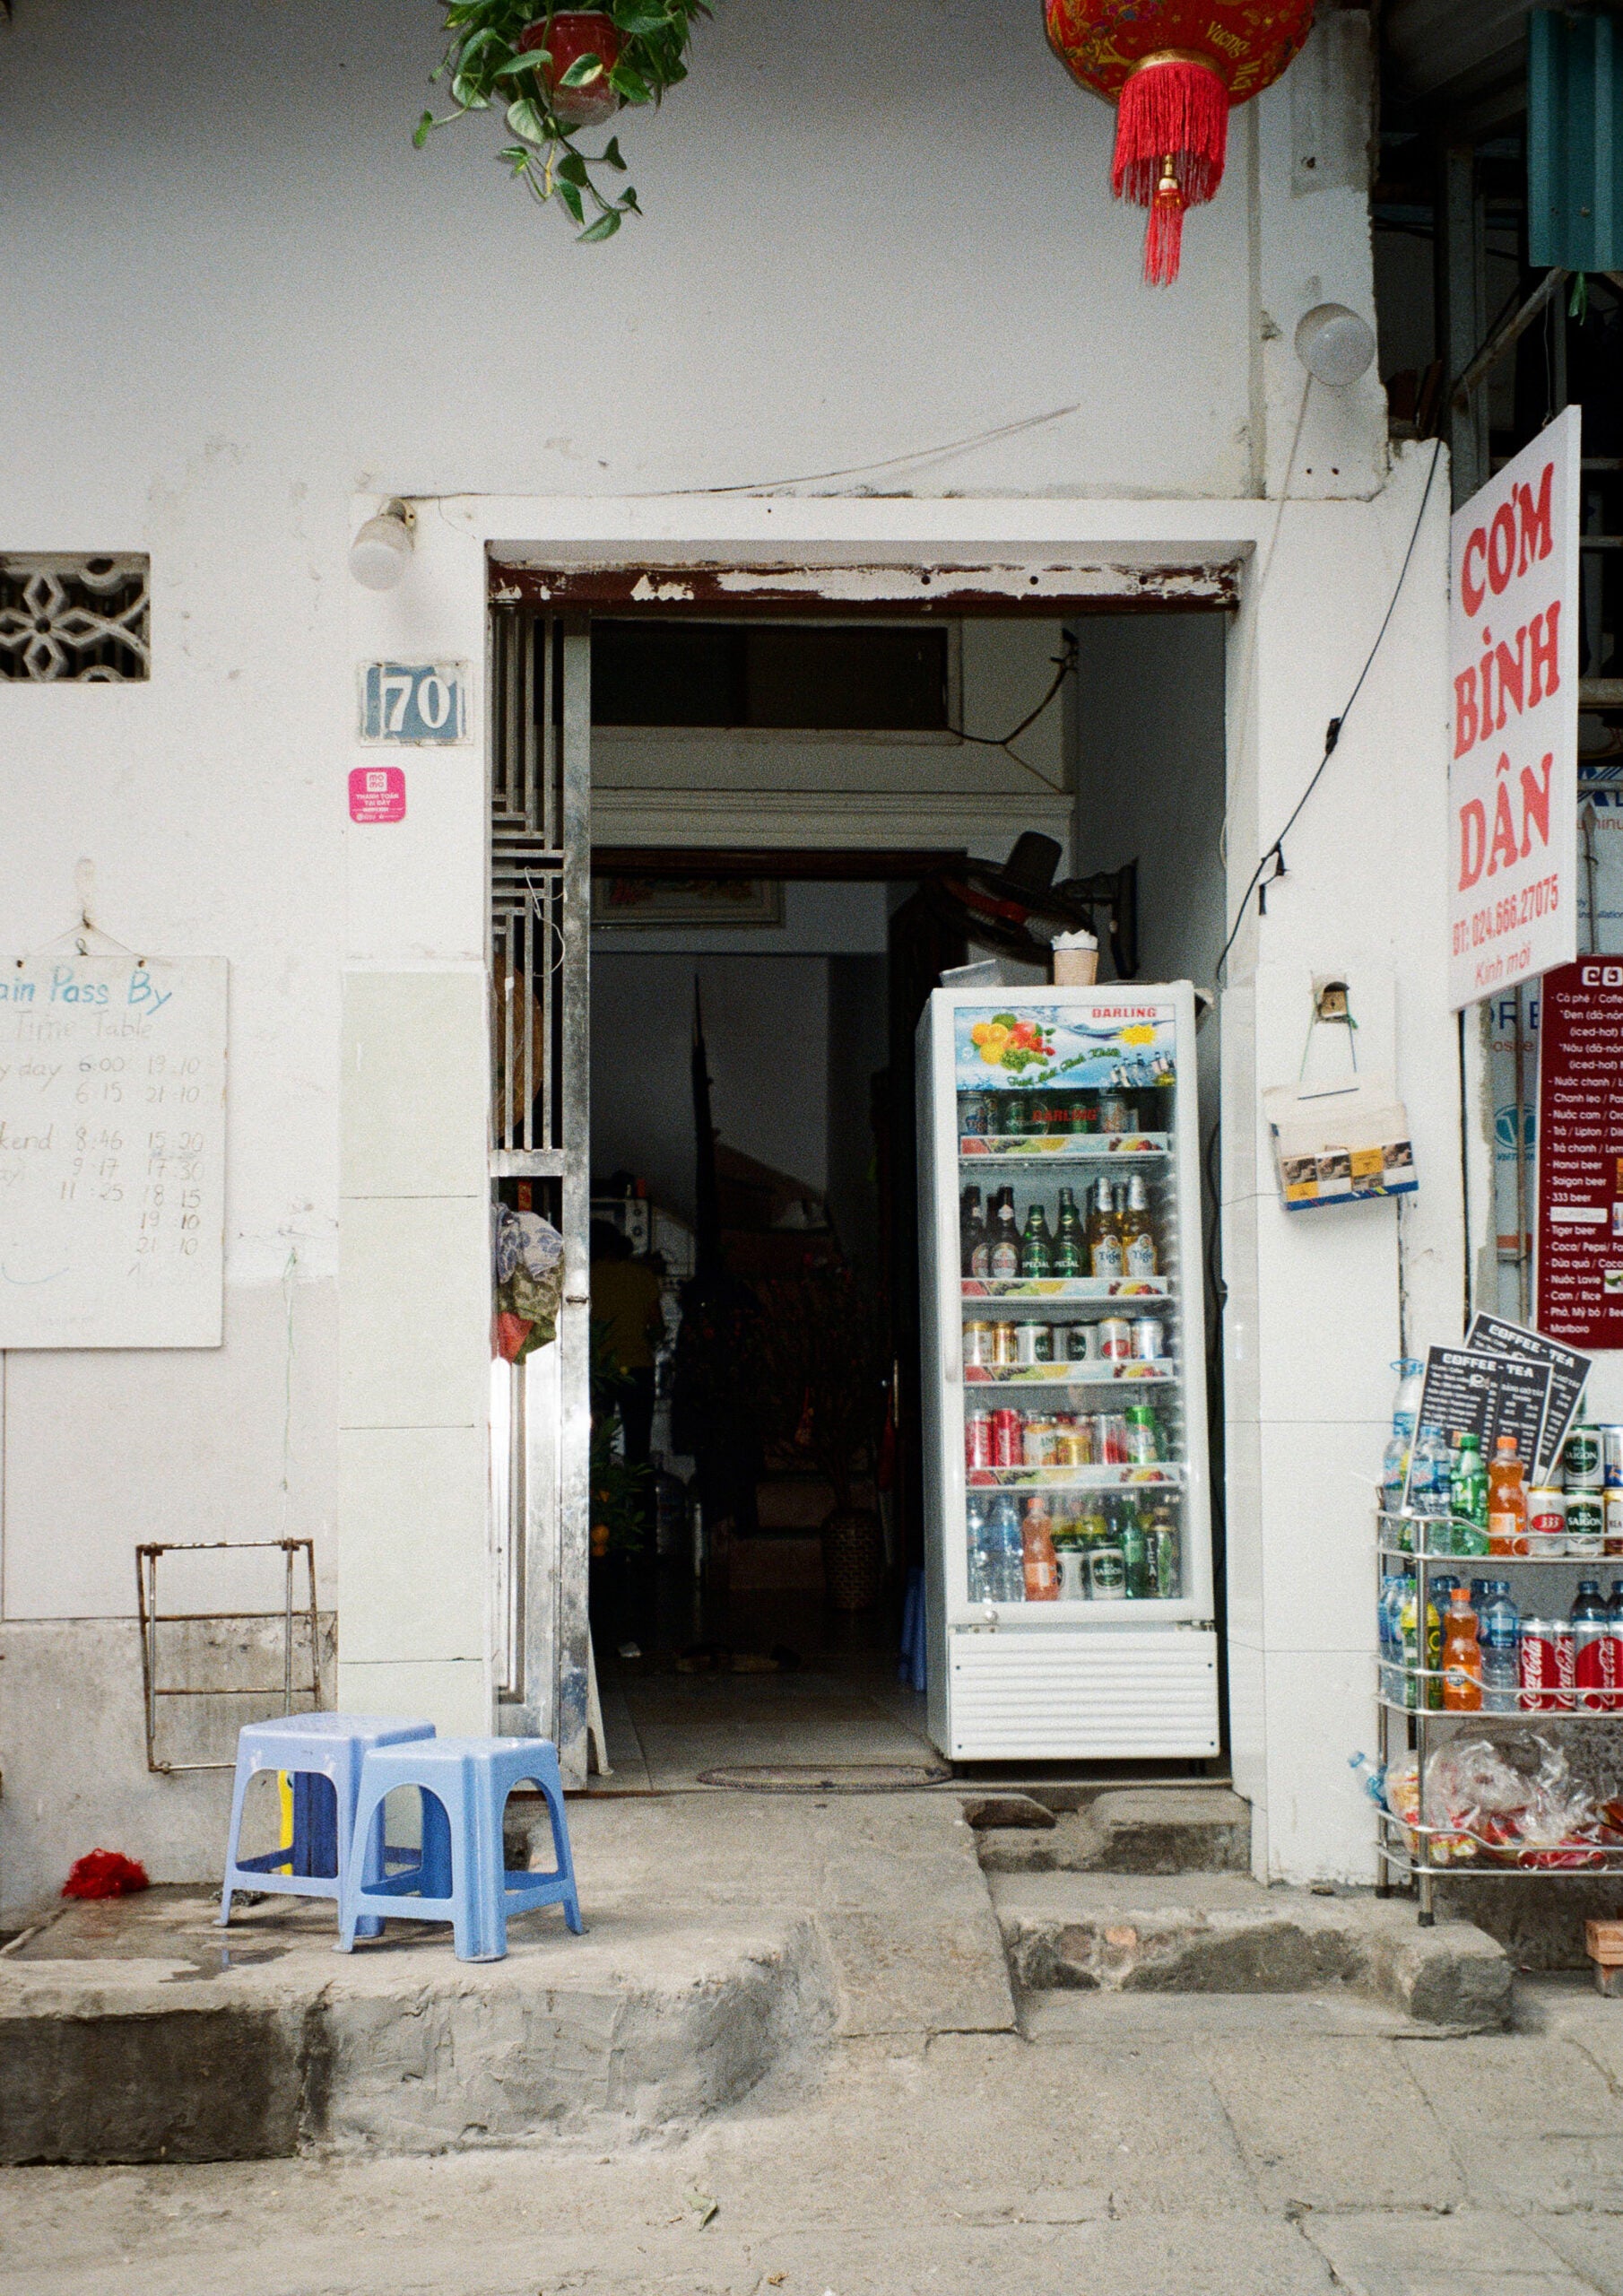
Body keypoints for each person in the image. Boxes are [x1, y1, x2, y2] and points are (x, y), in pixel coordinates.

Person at [589, 1221, 664, 1468]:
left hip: (601, 1370)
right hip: (638, 1367)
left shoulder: (586, 1276)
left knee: (597, 1443)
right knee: (638, 1446)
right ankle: (641, 1504)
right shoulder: (642, 1276)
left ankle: (600, 1500)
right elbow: (657, 1324)